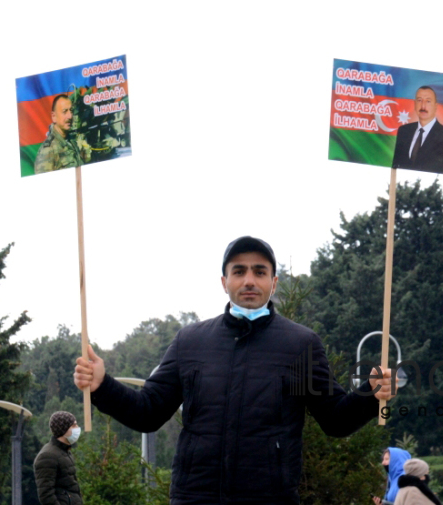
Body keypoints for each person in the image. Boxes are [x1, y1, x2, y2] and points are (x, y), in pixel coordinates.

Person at [74, 236, 399, 504]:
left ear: (273, 282)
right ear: (223, 281)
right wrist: (103, 385)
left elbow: (335, 419)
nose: (248, 280)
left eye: (259, 272)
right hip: (195, 498)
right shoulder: (190, 341)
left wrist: (370, 395)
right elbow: (147, 412)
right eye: (239, 271)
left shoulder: (301, 344)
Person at [391, 86, 443, 176]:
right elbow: (395, 168)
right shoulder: (403, 131)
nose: (423, 106)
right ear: (414, 104)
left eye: (428, 101)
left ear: (435, 106)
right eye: (419, 100)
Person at [33, 411, 83, 505]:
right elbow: (46, 495)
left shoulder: (64, 452)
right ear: (63, 429)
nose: (77, 429)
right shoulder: (47, 456)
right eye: (74, 426)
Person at [34, 94, 84, 174]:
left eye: (71, 111)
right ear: (54, 116)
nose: (70, 116)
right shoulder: (48, 150)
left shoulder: (71, 141)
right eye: (65, 112)